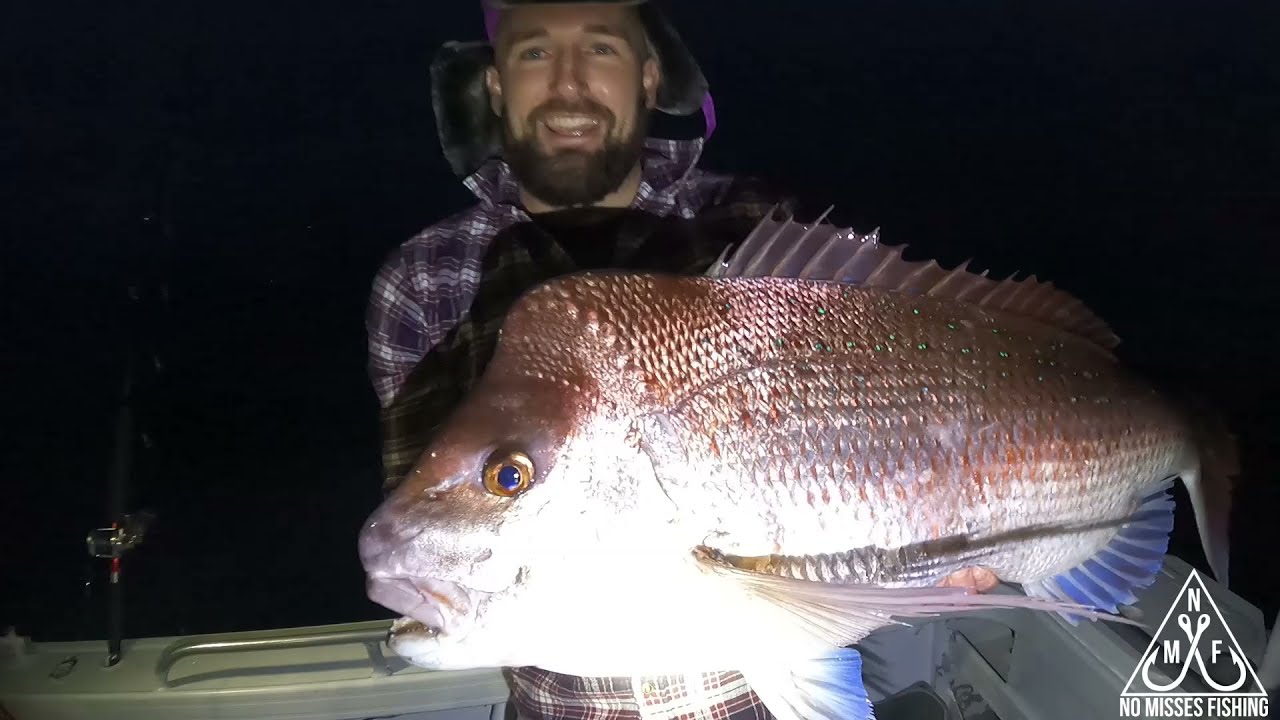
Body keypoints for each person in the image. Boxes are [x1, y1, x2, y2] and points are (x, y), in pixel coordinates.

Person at [364, 0, 792, 717]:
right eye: (534, 52)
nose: (567, 84)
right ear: (495, 86)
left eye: (600, 49)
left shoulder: (752, 228)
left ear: (649, 78)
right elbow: (437, 524)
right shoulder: (423, 280)